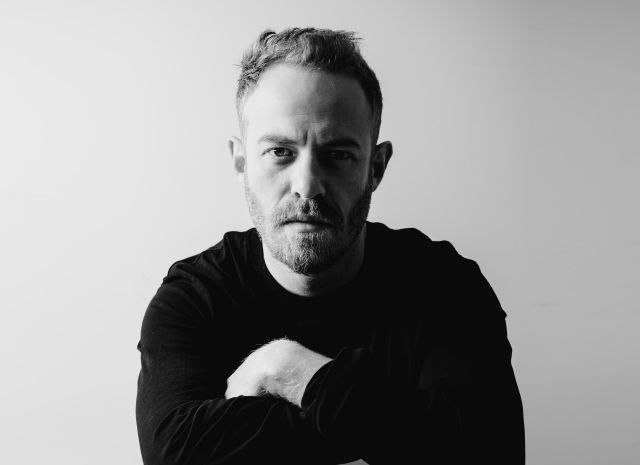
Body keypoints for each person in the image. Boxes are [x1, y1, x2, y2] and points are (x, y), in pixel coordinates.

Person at [136, 27, 525, 465]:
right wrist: (404, 429)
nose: (307, 186)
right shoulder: (195, 298)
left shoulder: (445, 287)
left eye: (338, 154)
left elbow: (490, 453)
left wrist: (288, 369)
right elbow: (174, 453)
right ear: (241, 160)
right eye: (280, 152)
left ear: (376, 167)